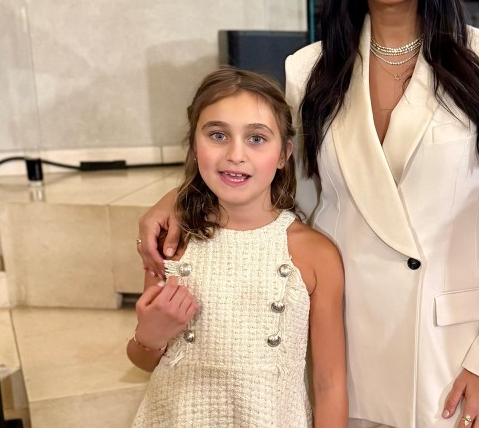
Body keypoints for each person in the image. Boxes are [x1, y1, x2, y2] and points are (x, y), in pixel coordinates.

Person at [137, 0, 479, 427]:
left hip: (446, 352)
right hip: (342, 341)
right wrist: (181, 199)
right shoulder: (308, 70)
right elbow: (278, 187)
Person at [128, 68, 347, 427]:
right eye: (217, 135)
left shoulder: (315, 255)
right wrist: (150, 335)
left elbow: (330, 383)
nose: (235, 154)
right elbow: (143, 359)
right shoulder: (173, 242)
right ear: (194, 145)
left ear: (284, 154)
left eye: (256, 138)